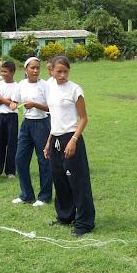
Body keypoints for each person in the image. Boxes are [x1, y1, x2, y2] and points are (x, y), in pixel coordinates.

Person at [43, 55, 95, 237]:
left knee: (78, 181)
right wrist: (49, 141)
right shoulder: (51, 88)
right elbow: (55, 118)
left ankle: (85, 222)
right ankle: (65, 216)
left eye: (65, 71)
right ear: (52, 71)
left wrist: (74, 139)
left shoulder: (75, 90)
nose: (62, 75)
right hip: (56, 138)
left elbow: (84, 118)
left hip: (71, 139)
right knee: (60, 180)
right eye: (59, 71)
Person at [12, 57, 52, 206]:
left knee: (44, 160)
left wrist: (34, 104)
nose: (35, 71)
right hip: (27, 124)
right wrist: (12, 105)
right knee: (20, 159)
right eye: (32, 68)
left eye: (37, 68)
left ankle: (44, 196)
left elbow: (50, 107)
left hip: (42, 124)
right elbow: (14, 101)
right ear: (25, 70)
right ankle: (26, 194)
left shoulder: (45, 85)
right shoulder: (21, 85)